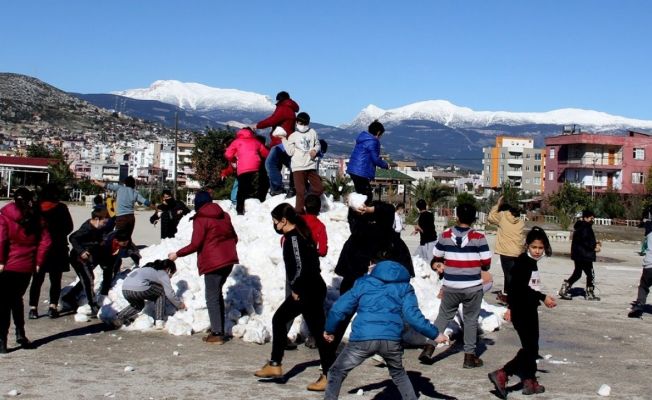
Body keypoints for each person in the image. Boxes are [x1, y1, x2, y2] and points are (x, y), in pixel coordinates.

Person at [323, 256, 439, 400]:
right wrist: (435, 334)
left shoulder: (363, 283)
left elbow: (339, 309)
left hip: (362, 339)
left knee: (336, 371)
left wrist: (330, 329)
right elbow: (413, 316)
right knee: (399, 374)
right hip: (391, 340)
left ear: (373, 265)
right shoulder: (405, 287)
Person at [254, 203, 335, 392]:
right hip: (311, 288)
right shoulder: (298, 234)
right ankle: (276, 364)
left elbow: (300, 267)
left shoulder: (294, 239)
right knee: (315, 329)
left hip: (308, 290)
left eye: (275, 221)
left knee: (282, 320)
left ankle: (327, 374)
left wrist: (297, 288)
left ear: (283, 221)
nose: (274, 225)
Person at [488, 227, 557, 399]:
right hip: (523, 311)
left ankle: (529, 380)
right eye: (534, 247)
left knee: (532, 347)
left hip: (529, 309)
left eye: (540, 248)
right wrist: (542, 297)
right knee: (530, 348)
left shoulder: (530, 263)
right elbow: (518, 289)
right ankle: (503, 373)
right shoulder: (523, 263)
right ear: (528, 246)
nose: (537, 251)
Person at [168, 191, 238, 344]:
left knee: (212, 297)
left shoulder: (201, 218)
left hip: (214, 263)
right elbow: (235, 237)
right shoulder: (224, 215)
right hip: (229, 260)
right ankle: (219, 329)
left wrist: (177, 254)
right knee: (216, 294)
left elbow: (196, 244)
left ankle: (217, 333)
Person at [427, 203, 491, 368]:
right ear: (474, 219)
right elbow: (486, 261)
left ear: (457, 217)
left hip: (450, 286)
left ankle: (429, 348)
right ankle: (469, 357)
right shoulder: (479, 237)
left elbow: (436, 255)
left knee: (443, 317)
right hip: (473, 287)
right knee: (470, 320)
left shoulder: (445, 235)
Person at [0, 188, 51, 353]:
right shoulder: (37, 217)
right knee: (16, 299)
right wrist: (38, 261)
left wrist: (0, 260)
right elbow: (46, 241)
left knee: (4, 303)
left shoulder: (5, 216)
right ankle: (20, 333)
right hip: (27, 265)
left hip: (7, 265)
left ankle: (2, 342)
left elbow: (1, 239)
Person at [28, 183, 74, 319]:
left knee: (37, 279)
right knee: (55, 279)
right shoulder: (62, 208)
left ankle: (33, 308)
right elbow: (69, 227)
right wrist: (58, 234)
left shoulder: (36, 208)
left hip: (39, 248)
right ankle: (52, 307)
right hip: (58, 248)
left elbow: (30, 228)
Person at [62, 208, 110, 315]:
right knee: (88, 279)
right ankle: (93, 305)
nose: (104, 225)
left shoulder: (98, 228)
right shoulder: (87, 228)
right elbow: (72, 237)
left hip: (88, 257)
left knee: (86, 279)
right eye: (103, 222)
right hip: (78, 258)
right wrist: (81, 251)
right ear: (97, 219)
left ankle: (69, 297)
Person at [113, 259, 185, 329]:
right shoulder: (162, 273)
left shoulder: (147, 269)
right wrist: (179, 305)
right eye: (172, 273)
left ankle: (119, 317)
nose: (171, 276)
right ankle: (159, 322)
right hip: (138, 288)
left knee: (138, 305)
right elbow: (169, 293)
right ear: (168, 269)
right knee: (161, 292)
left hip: (125, 289)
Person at [276, 112, 323, 213]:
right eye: (301, 123)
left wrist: (315, 150)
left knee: (319, 188)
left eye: (305, 124)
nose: (303, 126)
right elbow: (290, 151)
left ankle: (310, 203)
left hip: (310, 165)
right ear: (297, 123)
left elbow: (317, 144)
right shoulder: (293, 136)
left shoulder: (313, 132)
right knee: (300, 191)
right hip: (298, 167)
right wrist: (284, 139)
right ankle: (299, 212)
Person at [256, 91, 300, 196]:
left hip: (280, 142)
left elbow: (272, 120)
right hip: (286, 142)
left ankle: (277, 188)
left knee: (270, 164)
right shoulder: (290, 109)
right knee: (290, 165)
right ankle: (293, 187)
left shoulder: (283, 108)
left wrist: (257, 125)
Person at [224, 127, 270, 215]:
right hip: (256, 166)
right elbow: (266, 153)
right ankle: (254, 206)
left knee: (241, 190)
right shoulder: (256, 141)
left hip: (243, 167)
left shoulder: (237, 141)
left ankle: (240, 210)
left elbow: (228, 154)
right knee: (253, 186)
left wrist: (235, 156)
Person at [487, 196, 524, 303]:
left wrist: (497, 204)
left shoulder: (502, 217)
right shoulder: (521, 222)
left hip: (506, 252)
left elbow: (490, 217)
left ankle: (513, 298)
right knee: (511, 275)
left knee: (508, 275)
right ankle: (507, 294)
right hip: (517, 252)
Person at [558, 209, 601, 301]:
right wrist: (594, 247)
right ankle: (590, 293)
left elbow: (582, 241)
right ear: (585, 218)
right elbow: (586, 241)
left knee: (577, 273)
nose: (592, 220)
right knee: (590, 274)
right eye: (591, 218)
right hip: (585, 256)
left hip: (578, 255)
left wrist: (594, 243)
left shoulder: (579, 227)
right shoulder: (586, 227)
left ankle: (564, 289)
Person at [346, 120, 389, 203]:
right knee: (367, 196)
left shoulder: (363, 139)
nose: (380, 137)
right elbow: (375, 159)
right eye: (381, 135)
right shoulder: (373, 141)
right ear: (378, 132)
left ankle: (356, 210)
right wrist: (385, 165)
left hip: (354, 170)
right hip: (361, 171)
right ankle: (359, 213)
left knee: (361, 195)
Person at [97, 230, 141, 298]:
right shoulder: (107, 243)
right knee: (108, 272)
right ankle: (104, 292)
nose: (126, 244)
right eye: (124, 243)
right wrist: (104, 265)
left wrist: (138, 260)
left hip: (116, 253)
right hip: (105, 256)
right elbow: (100, 255)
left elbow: (131, 248)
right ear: (117, 240)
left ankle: (114, 277)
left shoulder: (126, 239)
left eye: (127, 242)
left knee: (117, 263)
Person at [628, 219, 652, 318]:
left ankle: (639, 305)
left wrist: (645, 220)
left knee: (643, 286)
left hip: (649, 263)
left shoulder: (649, 227)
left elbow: (640, 224)